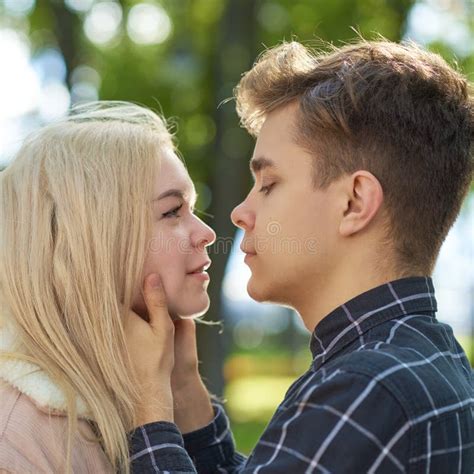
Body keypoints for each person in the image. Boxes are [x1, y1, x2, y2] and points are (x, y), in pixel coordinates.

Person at [128, 40, 474, 472]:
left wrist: (148, 414)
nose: (240, 213)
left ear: (353, 203)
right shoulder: (428, 357)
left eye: (268, 184)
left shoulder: (365, 390)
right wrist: (183, 386)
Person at [0, 102, 216, 473]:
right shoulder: (17, 441)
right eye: (171, 212)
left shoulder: (140, 390)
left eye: (192, 209)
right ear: (90, 242)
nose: (207, 234)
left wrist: (180, 389)